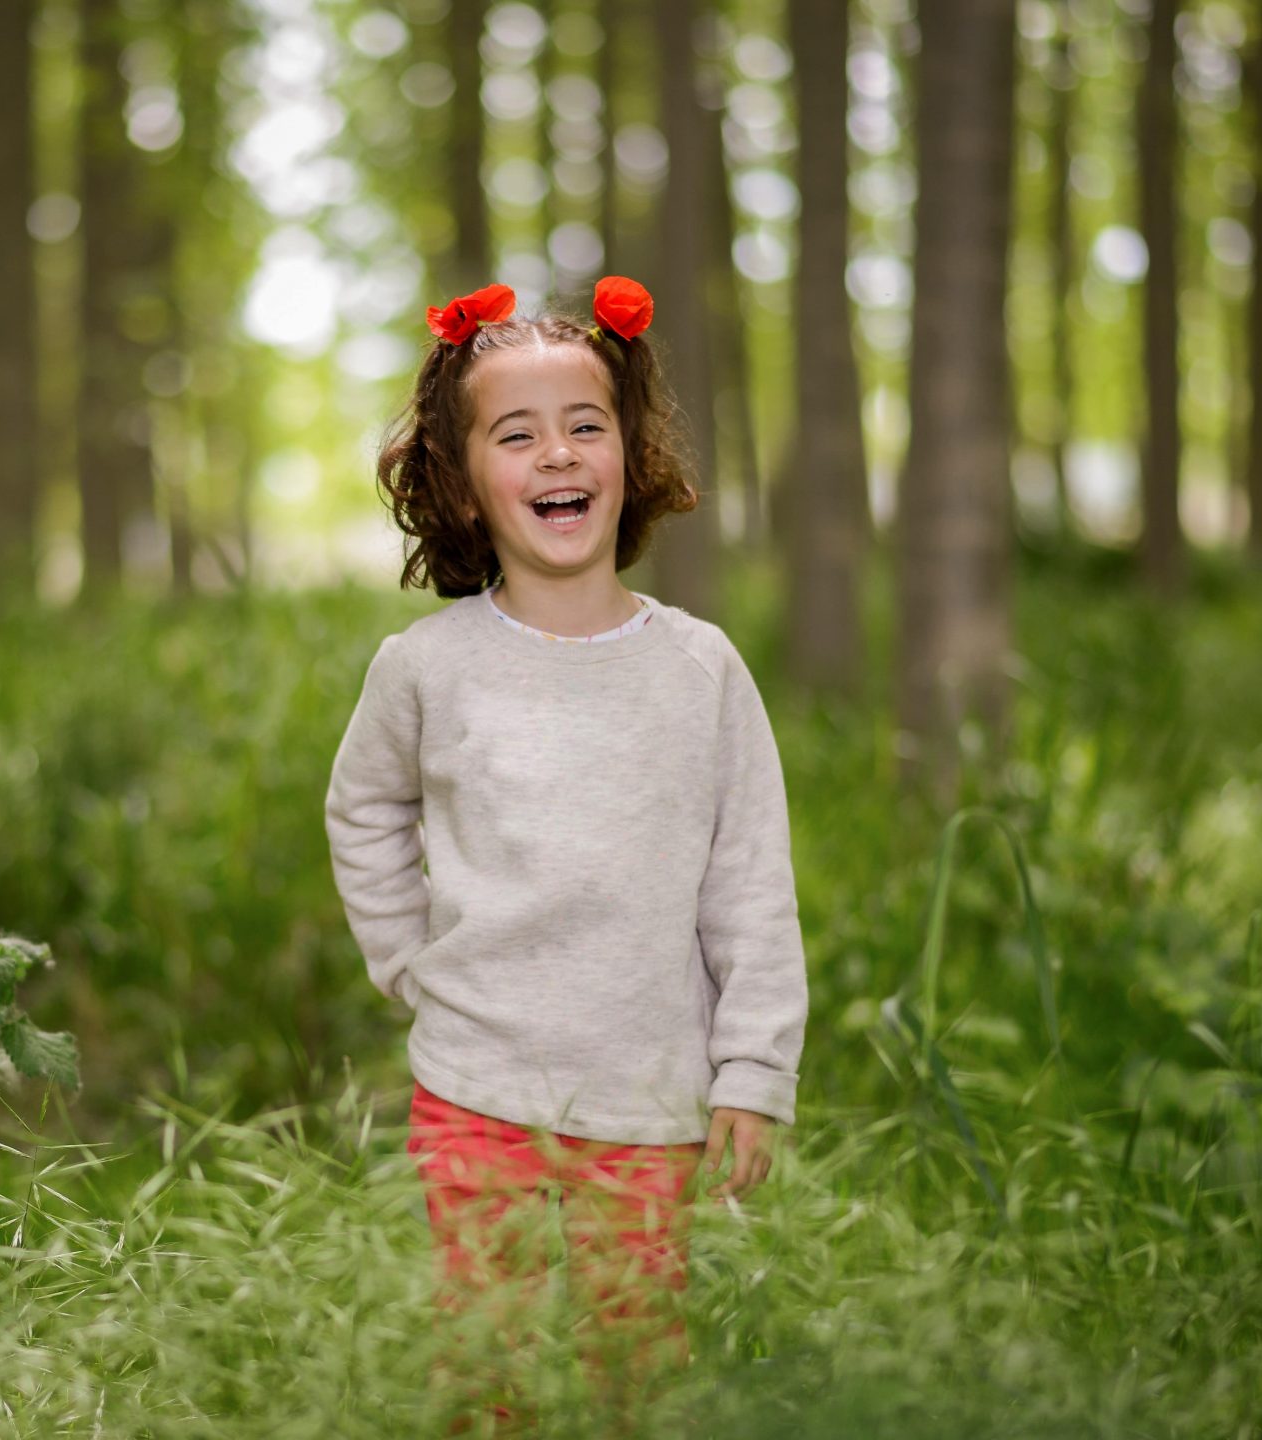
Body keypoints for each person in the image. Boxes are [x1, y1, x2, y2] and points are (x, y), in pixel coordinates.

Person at [323, 275, 809, 1432]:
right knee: (485, 1359)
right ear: (461, 481)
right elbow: (363, 810)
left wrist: (753, 1069)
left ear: (628, 455)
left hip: (648, 1090)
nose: (556, 454)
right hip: (475, 1082)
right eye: (516, 434)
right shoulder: (426, 668)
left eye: (585, 425)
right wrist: (406, 961)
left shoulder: (699, 668)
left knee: (632, 1362)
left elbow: (751, 882)